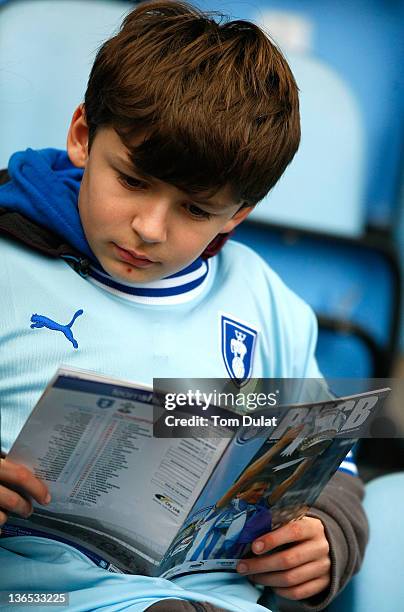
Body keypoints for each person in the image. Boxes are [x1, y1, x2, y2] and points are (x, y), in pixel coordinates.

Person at [0, 1, 367, 611]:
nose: (148, 227)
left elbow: (331, 459)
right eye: (133, 180)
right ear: (83, 137)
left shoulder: (263, 299)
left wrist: (327, 535)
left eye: (195, 209)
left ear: (238, 215)